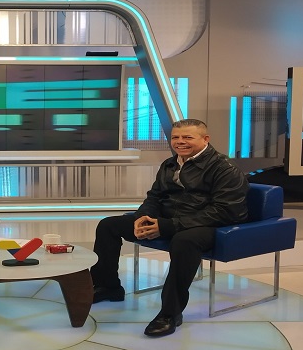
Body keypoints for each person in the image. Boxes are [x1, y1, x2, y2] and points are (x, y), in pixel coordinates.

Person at [90, 118, 249, 337]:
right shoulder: (170, 164)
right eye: (176, 137)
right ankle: (108, 287)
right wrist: (143, 218)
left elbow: (225, 211)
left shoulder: (224, 169)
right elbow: (154, 197)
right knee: (109, 225)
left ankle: (170, 314)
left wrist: (167, 226)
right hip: (170, 220)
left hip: (209, 224)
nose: (180, 142)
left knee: (184, 241)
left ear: (205, 139)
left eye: (187, 137)